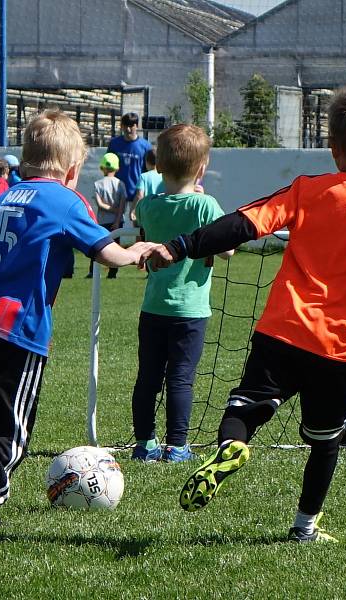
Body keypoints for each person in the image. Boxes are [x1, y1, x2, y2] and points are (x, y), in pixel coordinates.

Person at [142, 86, 346, 543]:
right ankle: (304, 528)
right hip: (341, 350)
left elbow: (243, 222)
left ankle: (232, 446)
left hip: (282, 331)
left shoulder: (307, 191)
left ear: (333, 147)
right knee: (325, 442)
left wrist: (178, 246)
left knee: (245, 406)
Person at [0, 110, 156, 529]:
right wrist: (135, 252)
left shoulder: (5, 197)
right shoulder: (65, 200)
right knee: (10, 423)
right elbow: (104, 250)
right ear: (72, 170)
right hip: (18, 326)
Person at [130, 124, 233, 463]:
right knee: (180, 379)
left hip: (153, 307)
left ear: (158, 166)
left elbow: (140, 221)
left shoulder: (148, 206)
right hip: (190, 311)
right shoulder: (205, 206)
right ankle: (176, 447)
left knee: (148, 378)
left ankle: (144, 444)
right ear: (202, 168)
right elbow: (228, 250)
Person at [87, 152, 127, 279]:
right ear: (117, 168)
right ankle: (113, 273)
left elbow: (99, 204)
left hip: (103, 221)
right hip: (118, 221)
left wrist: (110, 209)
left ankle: (93, 272)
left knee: (98, 246)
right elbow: (123, 203)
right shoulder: (120, 183)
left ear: (102, 167)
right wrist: (117, 216)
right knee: (116, 246)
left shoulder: (98, 184)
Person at [107, 112, 152, 224]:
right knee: (114, 225)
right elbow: (109, 166)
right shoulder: (114, 143)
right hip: (116, 192)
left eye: (131, 126)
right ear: (122, 126)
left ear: (137, 126)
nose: (128, 129)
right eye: (125, 125)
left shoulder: (145, 146)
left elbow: (148, 170)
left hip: (137, 193)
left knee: (137, 225)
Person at [130, 149, 164, 225]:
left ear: (146, 162)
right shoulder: (164, 176)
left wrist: (133, 210)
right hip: (161, 213)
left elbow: (139, 196)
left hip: (146, 214)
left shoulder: (143, 176)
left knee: (140, 234)